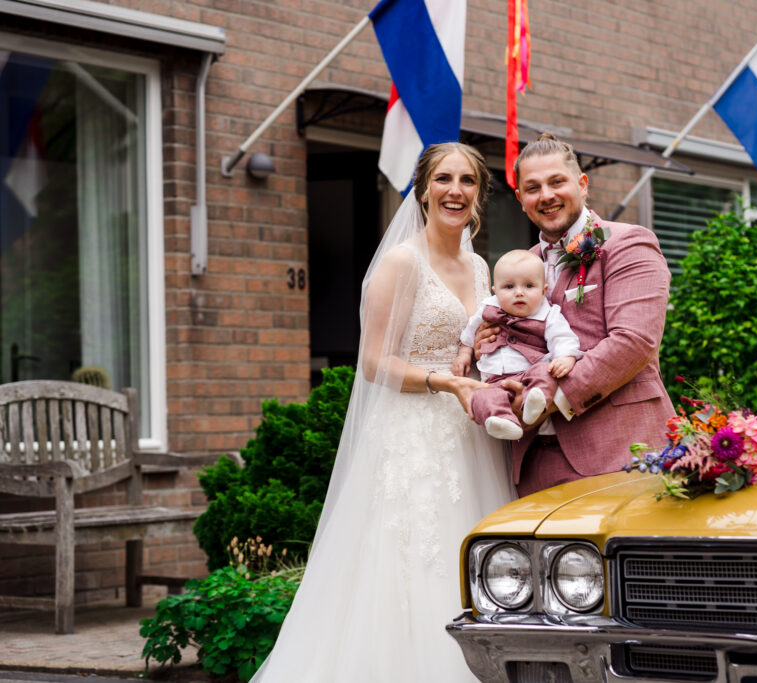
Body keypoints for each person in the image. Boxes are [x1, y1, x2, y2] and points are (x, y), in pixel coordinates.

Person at [251, 142, 514, 681]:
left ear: (479, 194)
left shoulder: (481, 264)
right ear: (422, 190)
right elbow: (373, 363)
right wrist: (444, 381)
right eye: (444, 179)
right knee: (413, 566)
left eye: (467, 181)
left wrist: (484, 353)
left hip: (471, 435)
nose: (455, 191)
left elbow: (471, 342)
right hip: (412, 438)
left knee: (477, 565)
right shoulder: (402, 261)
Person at [479, 133, 675, 497]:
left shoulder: (628, 243)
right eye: (533, 188)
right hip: (533, 461)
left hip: (621, 452)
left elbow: (634, 343)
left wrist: (549, 399)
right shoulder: (521, 268)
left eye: (557, 182)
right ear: (521, 200)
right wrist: (486, 342)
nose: (547, 196)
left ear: (582, 185)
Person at [452, 249, 581, 440]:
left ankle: (534, 402)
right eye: (509, 287)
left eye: (529, 286)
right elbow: (471, 331)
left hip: (529, 373)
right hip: (494, 379)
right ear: (495, 292)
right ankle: (501, 420)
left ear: (544, 291)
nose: (519, 293)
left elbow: (562, 337)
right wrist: (464, 353)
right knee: (480, 396)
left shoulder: (549, 314)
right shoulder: (489, 307)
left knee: (546, 373)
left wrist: (566, 357)